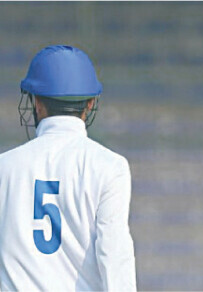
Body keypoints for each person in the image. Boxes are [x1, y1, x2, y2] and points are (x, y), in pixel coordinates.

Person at [0, 45, 136, 290]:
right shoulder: (110, 167)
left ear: (37, 102)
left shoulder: (4, 167)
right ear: (90, 104)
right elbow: (115, 257)